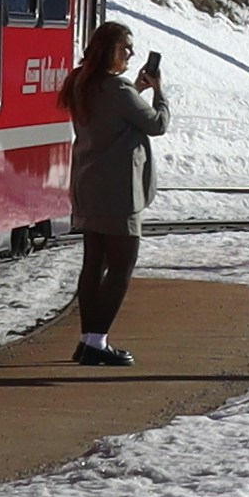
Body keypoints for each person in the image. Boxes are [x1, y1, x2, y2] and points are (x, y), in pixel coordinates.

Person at [66, 20, 168, 369]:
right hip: (119, 192)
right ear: (109, 49)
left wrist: (136, 89)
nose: (131, 53)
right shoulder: (117, 88)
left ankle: (87, 340)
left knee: (93, 265)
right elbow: (156, 124)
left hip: (89, 187)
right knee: (122, 265)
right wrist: (159, 91)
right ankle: (97, 342)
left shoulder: (81, 82)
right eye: (126, 47)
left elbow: (112, 114)